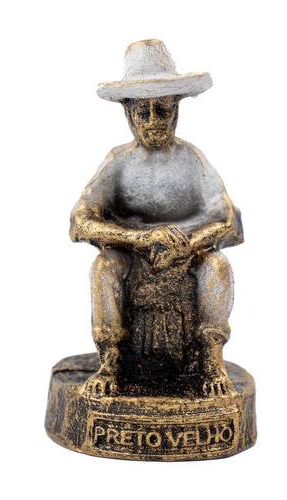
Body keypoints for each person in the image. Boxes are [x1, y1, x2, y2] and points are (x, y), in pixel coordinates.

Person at [70, 40, 243, 397]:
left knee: (218, 266)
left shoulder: (192, 160)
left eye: (162, 110)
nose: (153, 122)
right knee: (104, 268)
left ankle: (211, 361)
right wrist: (138, 239)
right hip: (131, 255)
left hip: (187, 254)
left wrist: (189, 245)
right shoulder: (118, 161)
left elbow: (229, 221)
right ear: (128, 114)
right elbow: (81, 221)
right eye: (142, 112)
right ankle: (110, 363)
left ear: (176, 110)